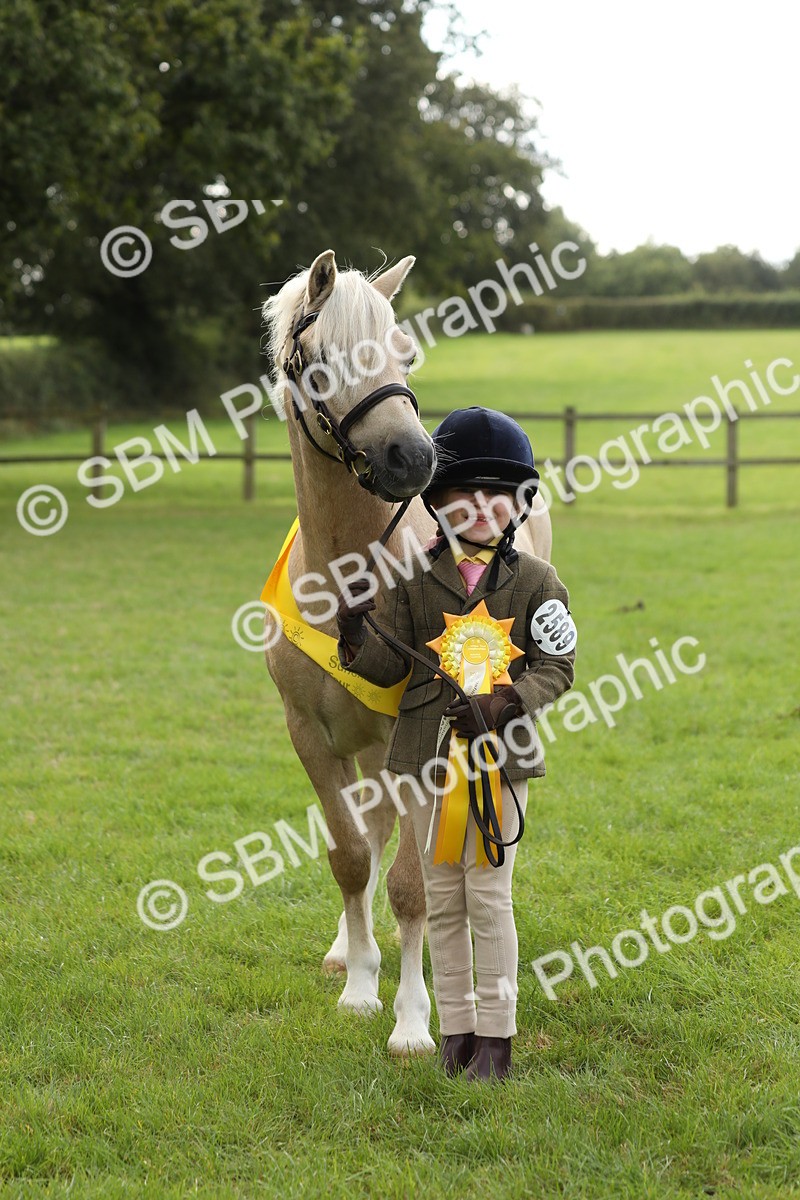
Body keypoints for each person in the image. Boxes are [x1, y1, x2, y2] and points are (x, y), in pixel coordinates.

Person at [335, 406, 577, 1083]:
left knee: (489, 897)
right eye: (461, 495)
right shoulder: (411, 580)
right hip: (424, 758)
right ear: (435, 503)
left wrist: (507, 702)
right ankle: (456, 1030)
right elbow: (396, 668)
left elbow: (558, 664)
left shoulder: (537, 581)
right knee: (441, 898)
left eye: (496, 495)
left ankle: (496, 1038)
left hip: (498, 757)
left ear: (520, 504)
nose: (478, 508)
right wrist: (355, 638)